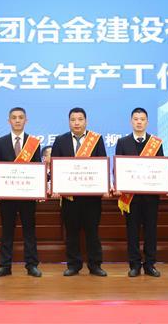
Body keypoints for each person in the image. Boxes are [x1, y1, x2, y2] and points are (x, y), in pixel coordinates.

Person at [51, 107, 108, 277]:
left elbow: (102, 164)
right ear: (69, 122)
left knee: (92, 233)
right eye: (73, 119)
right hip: (70, 198)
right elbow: (55, 166)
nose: (76, 123)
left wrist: (104, 185)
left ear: (86, 121)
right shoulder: (60, 140)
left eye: (80, 119)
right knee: (72, 233)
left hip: (92, 197)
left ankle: (95, 265)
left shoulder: (96, 140)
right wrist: (56, 187)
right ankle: (73, 265)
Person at [0, 107, 42, 278]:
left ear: (26, 120)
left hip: (28, 195)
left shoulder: (33, 143)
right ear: (9, 121)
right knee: (7, 231)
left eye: (20, 117)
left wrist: (38, 189)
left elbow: (37, 168)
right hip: (7, 197)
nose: (17, 120)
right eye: (14, 117)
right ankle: (5, 266)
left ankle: (32, 265)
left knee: (29, 231)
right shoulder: (1, 142)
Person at [115, 107, 164, 278]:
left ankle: (150, 264)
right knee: (132, 231)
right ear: (131, 122)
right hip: (131, 197)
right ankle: (134, 265)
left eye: (142, 119)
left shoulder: (156, 143)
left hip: (151, 196)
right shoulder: (123, 142)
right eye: (136, 119)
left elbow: (161, 168)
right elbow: (118, 168)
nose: (139, 122)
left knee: (151, 231)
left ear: (147, 122)